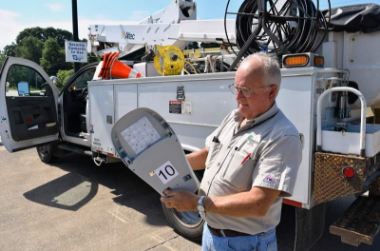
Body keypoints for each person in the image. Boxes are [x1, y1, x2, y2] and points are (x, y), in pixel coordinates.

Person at [161, 52, 302, 251]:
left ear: (271, 92)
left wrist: (198, 204)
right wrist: (176, 164)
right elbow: (211, 152)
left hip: (245, 244)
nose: (238, 97)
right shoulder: (234, 117)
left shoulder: (282, 136)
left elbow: (259, 202)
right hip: (212, 236)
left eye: (245, 90)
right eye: (236, 88)